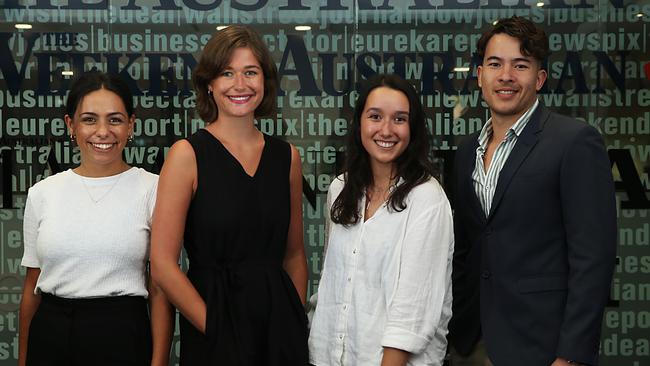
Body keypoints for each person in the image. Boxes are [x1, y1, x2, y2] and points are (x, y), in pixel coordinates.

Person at [449, 16, 617, 366]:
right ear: (480, 75)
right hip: (471, 343)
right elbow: (466, 250)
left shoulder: (573, 141)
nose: (506, 76)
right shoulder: (467, 152)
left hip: (542, 347)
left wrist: (570, 355)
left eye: (520, 65)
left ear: (539, 78)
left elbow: (593, 260)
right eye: (495, 64)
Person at [150, 25, 308, 365]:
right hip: (213, 328)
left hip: (278, 333)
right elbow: (163, 265)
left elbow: (294, 255)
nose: (240, 84)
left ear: (264, 81)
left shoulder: (287, 157)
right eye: (227, 73)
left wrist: (292, 322)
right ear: (209, 84)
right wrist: (218, 328)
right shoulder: (186, 155)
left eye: (250, 72)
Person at [18, 71, 172, 366]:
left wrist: (159, 362)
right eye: (89, 119)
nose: (103, 131)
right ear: (70, 125)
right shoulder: (43, 193)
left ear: (131, 126)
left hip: (123, 335)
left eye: (115, 119)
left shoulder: (154, 188)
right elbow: (31, 288)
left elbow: (159, 289)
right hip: (51, 336)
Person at [308, 74, 454, 366]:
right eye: (375, 116)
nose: (386, 130)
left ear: (412, 128)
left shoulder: (427, 199)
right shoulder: (340, 188)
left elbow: (413, 310)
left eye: (399, 119)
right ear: (359, 122)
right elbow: (333, 284)